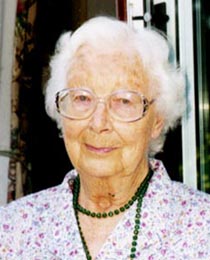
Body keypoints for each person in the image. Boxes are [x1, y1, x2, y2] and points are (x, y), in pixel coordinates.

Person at [0, 16, 210, 260]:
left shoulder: (202, 229)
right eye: (82, 98)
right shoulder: (12, 231)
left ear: (157, 121)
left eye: (123, 101)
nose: (98, 124)